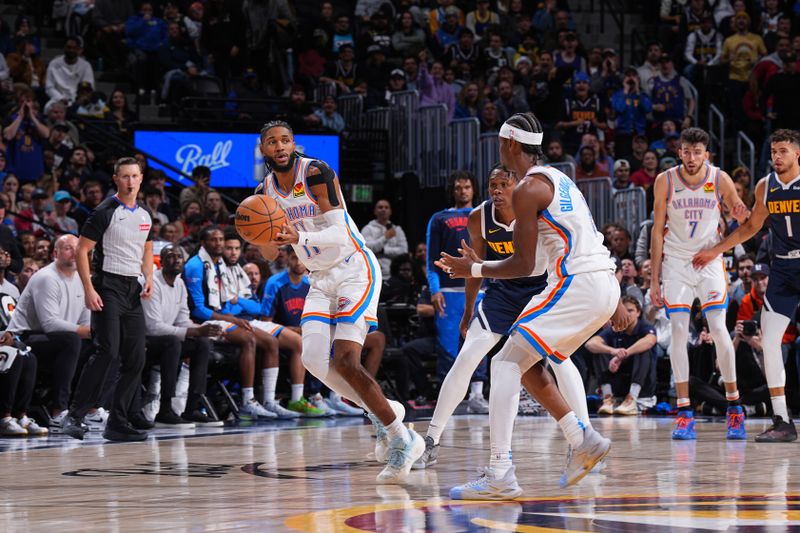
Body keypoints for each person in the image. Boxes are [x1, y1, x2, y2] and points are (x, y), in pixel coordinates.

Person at [438, 112, 629, 499]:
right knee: (523, 363)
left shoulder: (526, 190)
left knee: (504, 363)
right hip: (600, 282)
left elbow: (523, 265)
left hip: (576, 283)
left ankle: (501, 473)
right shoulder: (561, 180)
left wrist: (471, 266)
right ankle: (581, 438)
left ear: (509, 143)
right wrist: (616, 299)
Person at [257, 120, 423, 483]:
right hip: (320, 277)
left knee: (346, 360)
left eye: (286, 139)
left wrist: (296, 233)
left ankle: (400, 437)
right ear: (263, 149)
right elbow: (270, 248)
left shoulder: (314, 171)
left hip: (354, 268)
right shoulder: (265, 191)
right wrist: (258, 231)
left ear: (293, 143)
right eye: (272, 142)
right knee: (314, 359)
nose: (280, 146)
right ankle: (384, 412)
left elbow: (343, 233)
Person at [415, 166, 594, 471]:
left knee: (561, 361)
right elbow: (475, 267)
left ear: (519, 186)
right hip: (503, 293)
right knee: (468, 355)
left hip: (542, 290)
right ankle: (431, 440)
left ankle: (586, 442)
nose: (496, 191)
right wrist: (469, 309)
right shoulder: (479, 217)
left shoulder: (535, 211)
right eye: (492, 185)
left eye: (503, 184)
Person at [693, 129, 800, 442]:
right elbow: (753, 226)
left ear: (797, 154)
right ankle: (782, 420)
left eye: (783, 151)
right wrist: (716, 249)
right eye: (773, 151)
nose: (776, 157)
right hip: (782, 270)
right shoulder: (765, 186)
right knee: (769, 342)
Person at [650, 127, 750, 441]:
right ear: (679, 152)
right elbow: (657, 231)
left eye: (698, 152)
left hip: (709, 261)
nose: (692, 158)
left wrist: (740, 213)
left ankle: (734, 407)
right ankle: (684, 411)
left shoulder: (719, 178)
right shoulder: (664, 180)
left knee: (719, 330)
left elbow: (740, 217)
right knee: (679, 331)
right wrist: (654, 279)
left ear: (706, 154)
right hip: (677, 262)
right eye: (686, 152)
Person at [61, 157, 155, 442]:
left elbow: (146, 249)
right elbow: (81, 251)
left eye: (134, 176)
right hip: (107, 285)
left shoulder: (145, 214)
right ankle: (74, 416)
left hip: (132, 289)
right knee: (107, 351)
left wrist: (148, 276)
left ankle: (118, 420)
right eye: (124, 176)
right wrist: (89, 289)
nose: (130, 181)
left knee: (137, 357)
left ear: (141, 179)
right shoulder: (104, 211)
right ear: (115, 179)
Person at [183, 226, 287, 419]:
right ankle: (248, 400)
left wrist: (233, 314)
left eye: (221, 239)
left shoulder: (220, 266)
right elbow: (198, 309)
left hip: (221, 317)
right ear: (204, 243)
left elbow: (250, 305)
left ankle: (266, 400)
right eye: (214, 240)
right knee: (248, 339)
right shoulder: (196, 266)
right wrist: (231, 318)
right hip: (199, 321)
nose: (219, 243)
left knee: (270, 341)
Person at [5, 235, 90, 426]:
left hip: (60, 340)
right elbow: (49, 324)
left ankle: (89, 409)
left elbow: (86, 320)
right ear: (55, 253)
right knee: (72, 341)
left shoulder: (82, 277)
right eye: (68, 248)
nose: (74, 252)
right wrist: (88, 331)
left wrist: (96, 333)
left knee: (106, 345)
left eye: (77, 248)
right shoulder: (46, 277)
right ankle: (59, 411)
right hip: (25, 338)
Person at [140, 244, 224, 427]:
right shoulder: (152, 282)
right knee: (173, 342)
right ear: (161, 262)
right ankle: (165, 410)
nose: (176, 259)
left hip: (166, 340)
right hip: (145, 342)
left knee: (201, 343)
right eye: (171, 256)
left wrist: (205, 329)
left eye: (179, 257)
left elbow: (182, 320)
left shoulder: (179, 283)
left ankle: (192, 408)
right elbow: (153, 327)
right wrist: (194, 331)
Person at [426, 171, 489, 413]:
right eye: (458, 187)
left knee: (479, 341)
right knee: (447, 346)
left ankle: (476, 395)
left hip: (480, 288)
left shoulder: (484, 215)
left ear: (474, 190)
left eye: (467, 187)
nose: (462, 191)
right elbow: (432, 259)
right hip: (448, 290)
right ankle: (450, 397)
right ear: (452, 191)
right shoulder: (439, 218)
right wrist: (434, 290)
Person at [587, 296, 657, 416]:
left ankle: (631, 399)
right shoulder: (616, 329)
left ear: (638, 313)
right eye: (624, 311)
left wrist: (623, 354)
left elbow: (650, 341)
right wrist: (612, 351)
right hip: (619, 382)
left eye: (630, 311)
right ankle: (608, 398)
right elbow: (590, 343)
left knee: (644, 351)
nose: (627, 314)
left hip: (641, 384)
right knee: (600, 350)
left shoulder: (645, 327)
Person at [361, 199, 408, 277]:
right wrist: (385, 237)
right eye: (380, 207)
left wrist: (383, 251)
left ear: (390, 211)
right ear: (375, 211)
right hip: (373, 273)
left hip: (394, 274)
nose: (383, 209)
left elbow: (404, 250)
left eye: (386, 207)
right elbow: (366, 249)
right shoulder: (368, 229)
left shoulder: (397, 230)